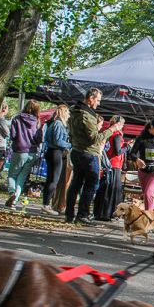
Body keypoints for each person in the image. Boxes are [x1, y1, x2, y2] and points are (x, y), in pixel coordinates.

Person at [66, 88, 121, 224]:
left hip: (76, 151)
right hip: (88, 153)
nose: (98, 104)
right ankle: (82, 215)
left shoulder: (74, 111)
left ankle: (69, 214)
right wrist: (111, 129)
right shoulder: (86, 115)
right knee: (92, 184)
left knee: (75, 184)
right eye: (98, 100)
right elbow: (94, 138)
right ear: (90, 98)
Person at [5, 101, 43, 208]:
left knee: (12, 175)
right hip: (32, 151)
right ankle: (15, 199)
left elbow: (13, 135)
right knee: (22, 177)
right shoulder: (38, 122)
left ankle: (12, 193)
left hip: (20, 150)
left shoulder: (17, 119)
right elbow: (40, 138)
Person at [94, 115, 126, 221]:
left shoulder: (108, 133)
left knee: (105, 189)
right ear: (118, 124)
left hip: (108, 164)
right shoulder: (116, 135)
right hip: (114, 165)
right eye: (122, 124)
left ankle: (101, 212)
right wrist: (128, 147)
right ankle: (107, 213)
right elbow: (118, 151)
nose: (122, 126)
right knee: (112, 190)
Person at [41, 105, 71, 214]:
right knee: (53, 180)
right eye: (67, 113)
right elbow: (58, 141)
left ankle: (45, 204)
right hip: (56, 152)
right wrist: (70, 145)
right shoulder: (58, 124)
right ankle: (46, 204)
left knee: (50, 180)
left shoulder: (53, 123)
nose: (68, 115)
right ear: (63, 113)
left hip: (51, 152)